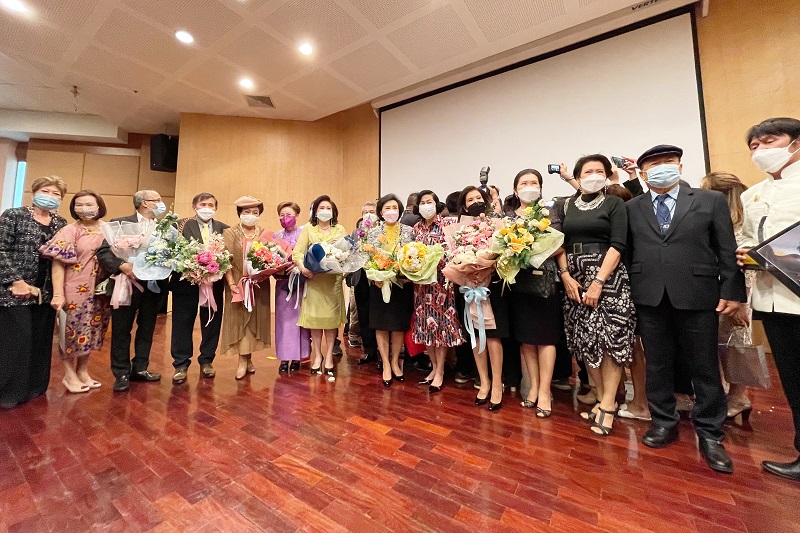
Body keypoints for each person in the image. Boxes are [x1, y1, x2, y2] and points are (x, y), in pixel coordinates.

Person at [627, 144, 746, 474]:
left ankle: (710, 432)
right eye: (653, 165)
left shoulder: (710, 201)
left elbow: (726, 249)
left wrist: (733, 292)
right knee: (658, 363)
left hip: (698, 293)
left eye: (668, 162)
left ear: (680, 167)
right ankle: (663, 421)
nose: (661, 168)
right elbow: (628, 251)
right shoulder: (632, 207)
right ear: (643, 174)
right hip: (649, 294)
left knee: (704, 365)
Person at [737, 117, 800, 481]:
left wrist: (774, 255)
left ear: (795, 143)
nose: (761, 150)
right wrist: (745, 253)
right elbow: (749, 239)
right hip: (772, 299)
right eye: (754, 146)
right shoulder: (752, 195)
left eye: (770, 141)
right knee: (792, 379)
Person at [557, 155, 636, 436]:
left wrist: (599, 281)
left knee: (610, 339)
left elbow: (618, 244)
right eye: (587, 171)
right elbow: (559, 243)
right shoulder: (568, 205)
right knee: (585, 339)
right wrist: (565, 275)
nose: (593, 175)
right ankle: (601, 397)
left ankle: (609, 404)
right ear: (578, 176)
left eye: (599, 171)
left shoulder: (614, 203)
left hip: (607, 275)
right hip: (574, 276)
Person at [0, 176, 67, 408]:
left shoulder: (60, 223)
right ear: (34, 192)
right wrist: (15, 280)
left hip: (45, 290)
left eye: (56, 194)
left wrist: (59, 292)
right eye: (45, 191)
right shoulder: (14, 215)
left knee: (40, 339)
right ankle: (9, 393)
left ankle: (34, 387)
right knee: (17, 340)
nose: (50, 196)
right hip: (14, 289)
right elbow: (1, 249)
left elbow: (62, 257)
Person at [97, 190, 167, 392]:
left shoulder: (165, 227)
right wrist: (122, 265)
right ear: (144, 203)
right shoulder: (120, 223)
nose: (161, 203)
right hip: (125, 283)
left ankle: (140, 368)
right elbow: (104, 252)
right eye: (157, 200)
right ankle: (121, 372)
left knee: (147, 328)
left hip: (153, 285)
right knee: (121, 329)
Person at [42, 190, 110, 393]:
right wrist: (58, 293)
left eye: (89, 204)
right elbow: (58, 263)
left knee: (92, 330)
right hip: (74, 288)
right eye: (79, 205)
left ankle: (83, 371)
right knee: (70, 331)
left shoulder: (108, 229)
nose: (84, 209)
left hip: (100, 289)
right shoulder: (69, 230)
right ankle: (69, 374)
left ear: (99, 206)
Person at [505, 170, 561, 417]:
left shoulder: (549, 212)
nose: (529, 187)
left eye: (534, 183)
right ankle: (534, 387)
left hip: (545, 281)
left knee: (545, 339)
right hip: (519, 283)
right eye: (524, 183)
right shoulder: (508, 218)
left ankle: (545, 392)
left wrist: (532, 249)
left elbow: (559, 245)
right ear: (515, 189)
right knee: (526, 338)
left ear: (540, 187)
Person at [700, 172, 753, 419]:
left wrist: (741, 301)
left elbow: (743, 266)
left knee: (736, 345)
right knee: (719, 345)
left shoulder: (743, 223)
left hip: (738, 292)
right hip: (716, 289)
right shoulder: (719, 220)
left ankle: (739, 396)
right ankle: (724, 394)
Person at [456, 185, 508, 410]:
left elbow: (505, 252)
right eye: (470, 199)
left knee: (493, 336)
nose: (475, 201)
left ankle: (497, 384)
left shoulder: (497, 225)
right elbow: (455, 256)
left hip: (492, 287)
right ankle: (484, 382)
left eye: (478, 197)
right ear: (464, 205)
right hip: (470, 287)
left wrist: (489, 264)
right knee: (475, 335)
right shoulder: (460, 230)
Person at [169, 193, 229, 384]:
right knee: (182, 322)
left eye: (211, 205)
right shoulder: (179, 225)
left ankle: (207, 360)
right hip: (185, 283)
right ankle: (180, 364)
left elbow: (229, 256)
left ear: (216, 208)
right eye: (203, 204)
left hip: (214, 283)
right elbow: (170, 251)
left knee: (211, 322)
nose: (207, 208)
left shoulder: (224, 229)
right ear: (194, 206)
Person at [411, 190, 464, 393]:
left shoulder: (447, 225)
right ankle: (433, 367)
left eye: (430, 201)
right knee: (426, 327)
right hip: (421, 286)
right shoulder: (416, 228)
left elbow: (454, 251)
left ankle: (441, 370)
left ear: (436, 204)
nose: (426, 205)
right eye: (423, 202)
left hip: (442, 284)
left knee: (440, 328)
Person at [293, 195, 347, 378]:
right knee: (315, 321)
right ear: (315, 212)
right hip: (314, 281)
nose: (325, 211)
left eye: (328, 208)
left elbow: (346, 254)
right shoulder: (308, 229)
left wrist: (343, 266)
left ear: (333, 212)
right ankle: (317, 355)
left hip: (332, 283)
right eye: (321, 208)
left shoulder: (339, 229)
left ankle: (329, 355)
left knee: (330, 322)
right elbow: (297, 253)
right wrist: (303, 269)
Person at [367, 194, 415, 387]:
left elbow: (413, 256)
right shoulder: (372, 232)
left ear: (400, 210)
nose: (391, 211)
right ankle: (386, 364)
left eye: (394, 207)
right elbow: (367, 258)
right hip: (379, 285)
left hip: (401, 285)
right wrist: (375, 276)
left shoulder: (409, 231)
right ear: (380, 211)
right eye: (387, 208)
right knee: (381, 324)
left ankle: (395, 362)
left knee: (398, 325)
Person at [221, 196, 271, 379]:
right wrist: (231, 283)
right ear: (240, 213)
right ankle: (242, 361)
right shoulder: (230, 233)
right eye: (247, 212)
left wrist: (264, 272)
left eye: (255, 212)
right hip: (237, 283)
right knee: (239, 321)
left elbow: (271, 258)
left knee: (254, 322)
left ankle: (248, 359)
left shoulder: (265, 233)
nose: (251, 215)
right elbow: (225, 261)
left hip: (258, 285)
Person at [273, 201, 310, 373]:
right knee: (283, 321)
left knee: (299, 320)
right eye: (281, 215)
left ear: (297, 215)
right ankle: (284, 357)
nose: (285, 218)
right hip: (283, 284)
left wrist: (300, 266)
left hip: (300, 283)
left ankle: (298, 357)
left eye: (288, 214)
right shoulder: (276, 236)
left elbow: (309, 256)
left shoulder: (304, 233)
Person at [351, 201, 379, 365]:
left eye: (371, 211)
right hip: (360, 277)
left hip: (377, 277)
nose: (368, 214)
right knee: (363, 314)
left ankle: (381, 351)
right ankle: (369, 350)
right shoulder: (356, 232)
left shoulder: (381, 231)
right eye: (365, 212)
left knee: (377, 314)